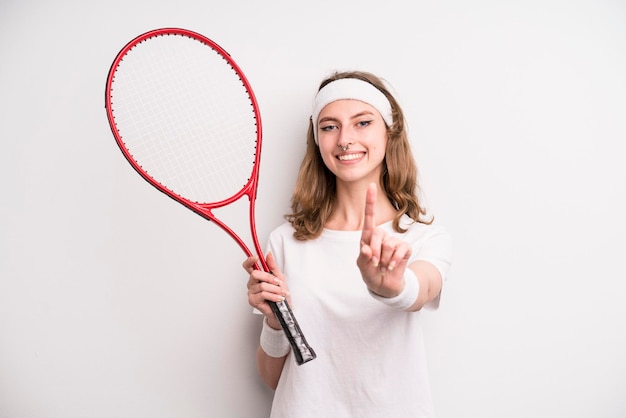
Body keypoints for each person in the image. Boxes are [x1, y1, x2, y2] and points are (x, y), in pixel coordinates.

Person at [243, 70, 452, 417]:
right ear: (318, 140)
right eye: (329, 126)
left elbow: (420, 290)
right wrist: (275, 321)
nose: (344, 139)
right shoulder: (284, 242)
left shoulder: (424, 237)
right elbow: (271, 377)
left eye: (362, 122)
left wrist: (390, 287)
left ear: (389, 132)